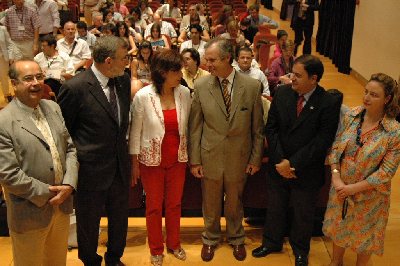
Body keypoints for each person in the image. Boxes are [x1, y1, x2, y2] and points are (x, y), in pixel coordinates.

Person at [252, 54, 340, 266]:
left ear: (314, 78)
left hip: (306, 169)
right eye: (292, 74)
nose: (292, 79)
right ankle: (272, 242)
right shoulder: (282, 93)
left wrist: (292, 164)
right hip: (278, 164)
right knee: (275, 207)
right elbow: (271, 128)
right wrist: (281, 160)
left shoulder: (327, 102)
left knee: (303, 213)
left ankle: (301, 250)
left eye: (298, 76)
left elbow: (322, 140)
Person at [58, 36, 131, 266]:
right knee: (88, 223)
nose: (127, 62)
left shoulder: (123, 81)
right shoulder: (75, 88)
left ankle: (114, 259)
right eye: (124, 58)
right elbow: (64, 133)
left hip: (119, 167)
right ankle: (90, 261)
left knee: (120, 220)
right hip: (89, 170)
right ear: (109, 61)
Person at [189, 38, 264, 262]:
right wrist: (195, 160)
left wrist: (255, 158)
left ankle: (236, 237)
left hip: (239, 157)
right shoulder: (201, 86)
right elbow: (195, 127)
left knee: (235, 201)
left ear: (227, 59)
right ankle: (210, 238)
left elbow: (257, 128)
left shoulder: (251, 87)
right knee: (210, 201)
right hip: (209, 155)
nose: (206, 64)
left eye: (211, 60)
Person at [0, 60, 78, 266]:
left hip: (61, 209)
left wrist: (69, 184)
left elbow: (70, 148)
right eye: (28, 79)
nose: (36, 83)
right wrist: (52, 192)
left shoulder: (53, 107)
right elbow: (8, 174)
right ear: (14, 84)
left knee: (57, 262)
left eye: (39, 77)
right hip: (29, 212)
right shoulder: (4, 121)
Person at [323, 73, 400, 266]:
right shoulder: (352, 115)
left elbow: (386, 172)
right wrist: (336, 177)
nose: (366, 97)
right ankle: (336, 262)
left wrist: (353, 189)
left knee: (364, 240)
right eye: (366, 92)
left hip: (370, 198)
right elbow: (336, 149)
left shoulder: (394, 131)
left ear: (387, 99)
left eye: (374, 95)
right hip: (341, 189)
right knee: (339, 230)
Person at [129, 49, 191, 266]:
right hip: (151, 159)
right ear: (163, 72)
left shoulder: (184, 93)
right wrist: (134, 162)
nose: (180, 75)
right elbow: (135, 131)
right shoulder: (143, 96)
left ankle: (174, 243)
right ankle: (156, 248)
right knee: (154, 206)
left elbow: (188, 127)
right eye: (176, 71)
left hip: (178, 158)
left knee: (174, 204)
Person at [0, 25, 13, 103]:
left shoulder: (3, 29)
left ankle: (7, 95)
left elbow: (9, 44)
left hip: (2, 58)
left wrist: (10, 56)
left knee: (4, 77)